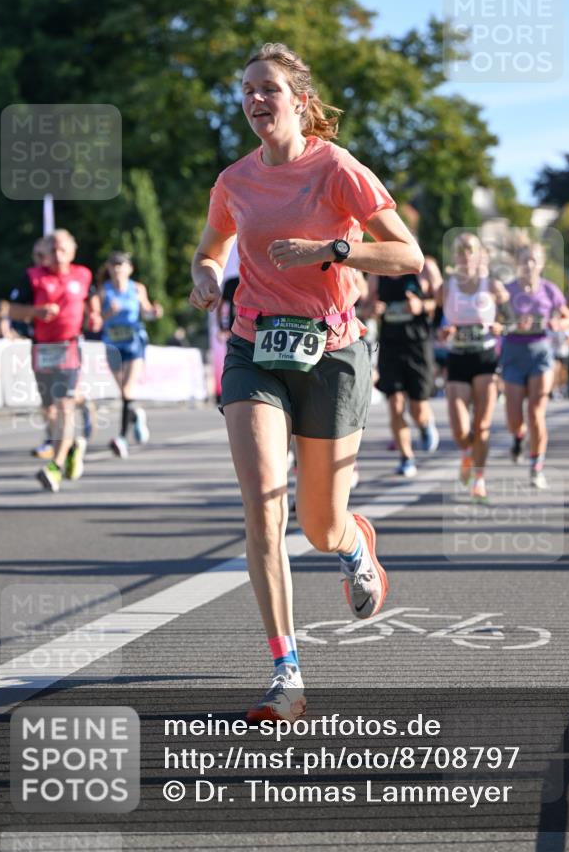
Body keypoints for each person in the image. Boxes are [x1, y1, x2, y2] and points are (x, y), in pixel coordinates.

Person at [190, 42, 423, 722]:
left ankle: (353, 544)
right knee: (263, 503)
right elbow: (211, 246)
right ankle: (285, 672)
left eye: (267, 88)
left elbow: (407, 257)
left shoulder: (337, 170)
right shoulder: (234, 180)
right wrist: (206, 273)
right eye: (245, 91)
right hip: (253, 347)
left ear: (299, 100)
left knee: (318, 524)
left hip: (332, 349)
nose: (255, 100)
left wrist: (332, 249)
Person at [9, 230, 100, 491]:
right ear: (46, 253)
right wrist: (36, 312)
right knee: (48, 408)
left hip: (70, 346)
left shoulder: (83, 274)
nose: (58, 255)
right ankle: (70, 446)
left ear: (72, 251)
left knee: (64, 405)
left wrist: (94, 315)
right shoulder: (33, 277)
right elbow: (13, 309)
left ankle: (55, 466)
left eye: (63, 249)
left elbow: (91, 298)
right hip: (42, 348)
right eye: (54, 250)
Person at [437, 232, 509, 502]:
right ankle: (466, 453)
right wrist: (444, 332)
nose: (466, 255)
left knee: (483, 425)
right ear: (455, 256)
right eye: (461, 250)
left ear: (479, 255)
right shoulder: (447, 286)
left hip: (486, 357)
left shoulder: (491, 285)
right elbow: (438, 322)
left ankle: (479, 479)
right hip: (457, 356)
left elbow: (511, 318)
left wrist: (502, 324)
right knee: (459, 428)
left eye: (471, 250)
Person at [501, 242, 569, 489]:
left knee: (536, 412)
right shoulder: (507, 290)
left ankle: (536, 466)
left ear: (541, 264)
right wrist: (511, 324)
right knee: (514, 418)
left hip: (541, 353)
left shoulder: (550, 290)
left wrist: (559, 325)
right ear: (517, 264)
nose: (529, 264)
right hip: (513, 352)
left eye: (533, 260)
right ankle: (518, 438)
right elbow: (495, 320)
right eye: (524, 260)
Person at [370, 255, 442, 477]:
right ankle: (406, 457)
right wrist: (374, 308)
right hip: (390, 346)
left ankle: (425, 423)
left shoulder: (424, 266)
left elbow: (443, 300)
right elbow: (365, 305)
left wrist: (422, 305)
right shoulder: (377, 270)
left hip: (418, 345)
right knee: (395, 403)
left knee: (418, 408)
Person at [97, 251, 163, 458]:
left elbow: (146, 312)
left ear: (129, 268)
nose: (117, 268)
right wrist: (109, 313)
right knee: (124, 393)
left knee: (127, 390)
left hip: (134, 343)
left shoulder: (137, 288)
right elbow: (96, 320)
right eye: (113, 265)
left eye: (121, 264)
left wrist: (154, 312)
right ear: (108, 268)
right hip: (112, 345)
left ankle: (121, 438)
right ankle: (136, 415)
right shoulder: (103, 291)